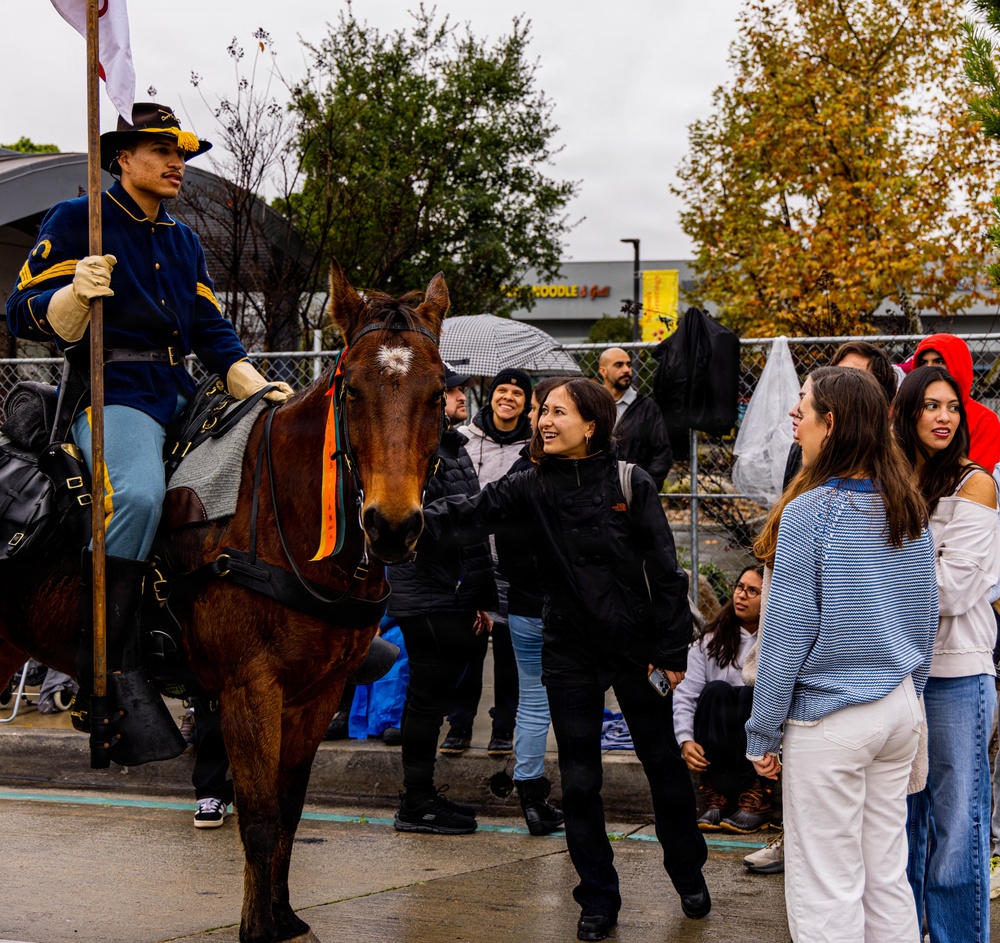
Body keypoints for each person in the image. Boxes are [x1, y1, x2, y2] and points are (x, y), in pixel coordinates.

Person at [5, 103, 291, 754]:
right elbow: (20, 311)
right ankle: (108, 657)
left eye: (180, 153)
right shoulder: (79, 220)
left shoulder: (186, 241)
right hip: (112, 391)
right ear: (122, 159)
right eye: (161, 151)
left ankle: (288, 622)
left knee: (263, 467)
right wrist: (72, 295)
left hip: (183, 392)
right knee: (136, 496)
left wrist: (259, 387)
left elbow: (213, 334)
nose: (176, 163)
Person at [422, 377, 709, 941]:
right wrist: (405, 514)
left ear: (591, 425)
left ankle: (687, 869)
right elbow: (466, 514)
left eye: (556, 412)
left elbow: (667, 574)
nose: (543, 421)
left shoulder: (633, 481)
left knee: (664, 769)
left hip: (638, 650)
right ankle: (597, 898)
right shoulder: (530, 484)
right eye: (541, 412)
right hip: (569, 650)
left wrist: (672, 653)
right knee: (579, 782)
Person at [746, 366, 937, 943]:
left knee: (825, 885)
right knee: (886, 876)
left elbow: (786, 635)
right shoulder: (907, 505)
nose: (793, 416)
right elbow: (925, 619)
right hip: (898, 707)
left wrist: (762, 731)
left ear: (831, 422)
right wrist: (913, 697)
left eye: (802, 406)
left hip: (832, 717)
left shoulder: (811, 512)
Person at [893, 365, 1000, 943]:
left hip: (957, 674)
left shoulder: (975, 483)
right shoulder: (889, 481)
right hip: (897, 674)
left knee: (959, 826)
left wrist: (886, 575)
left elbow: (954, 592)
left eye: (953, 407)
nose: (944, 417)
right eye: (931, 406)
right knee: (901, 827)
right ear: (907, 413)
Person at [386, 364, 496, 834]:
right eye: (453, 393)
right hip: (430, 596)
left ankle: (421, 796)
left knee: (431, 698)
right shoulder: (420, 452)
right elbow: (421, 523)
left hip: (452, 594)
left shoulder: (451, 448)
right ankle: (416, 802)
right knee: (427, 701)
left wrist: (479, 595)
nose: (462, 399)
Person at [441, 368, 532, 757]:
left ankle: (503, 727)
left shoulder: (532, 447)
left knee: (510, 651)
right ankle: (459, 724)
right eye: (502, 390)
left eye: (517, 393)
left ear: (527, 403)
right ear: (491, 396)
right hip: (472, 560)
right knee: (468, 646)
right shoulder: (465, 440)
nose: (508, 397)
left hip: (512, 563)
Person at [496, 376, 566, 836]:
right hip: (549, 608)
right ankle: (542, 797)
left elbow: (504, 546)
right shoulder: (551, 474)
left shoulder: (516, 473)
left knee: (535, 702)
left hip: (525, 604)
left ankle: (532, 794)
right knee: (562, 702)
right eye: (548, 411)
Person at [673, 566, 769, 833]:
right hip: (718, 752)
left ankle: (757, 793)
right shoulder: (709, 641)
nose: (741, 595)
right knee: (716, 690)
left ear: (770, 596)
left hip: (758, 756)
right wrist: (685, 739)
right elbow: (685, 695)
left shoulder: (777, 642)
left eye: (753, 591)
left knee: (750, 692)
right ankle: (718, 795)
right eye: (739, 587)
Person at [782, 340, 897, 488]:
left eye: (855, 378)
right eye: (837, 375)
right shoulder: (800, 450)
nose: (840, 383)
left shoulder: (889, 472)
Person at [913, 333, 1000, 472]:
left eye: (939, 361)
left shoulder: (983, 419)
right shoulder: (906, 409)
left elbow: (979, 477)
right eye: (923, 363)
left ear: (957, 365)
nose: (929, 368)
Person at [598, 346, 673, 491]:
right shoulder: (593, 405)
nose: (626, 370)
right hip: (598, 494)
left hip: (633, 493)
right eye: (619, 365)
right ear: (603, 371)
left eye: (628, 364)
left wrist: (646, 487)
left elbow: (663, 452)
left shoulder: (646, 407)